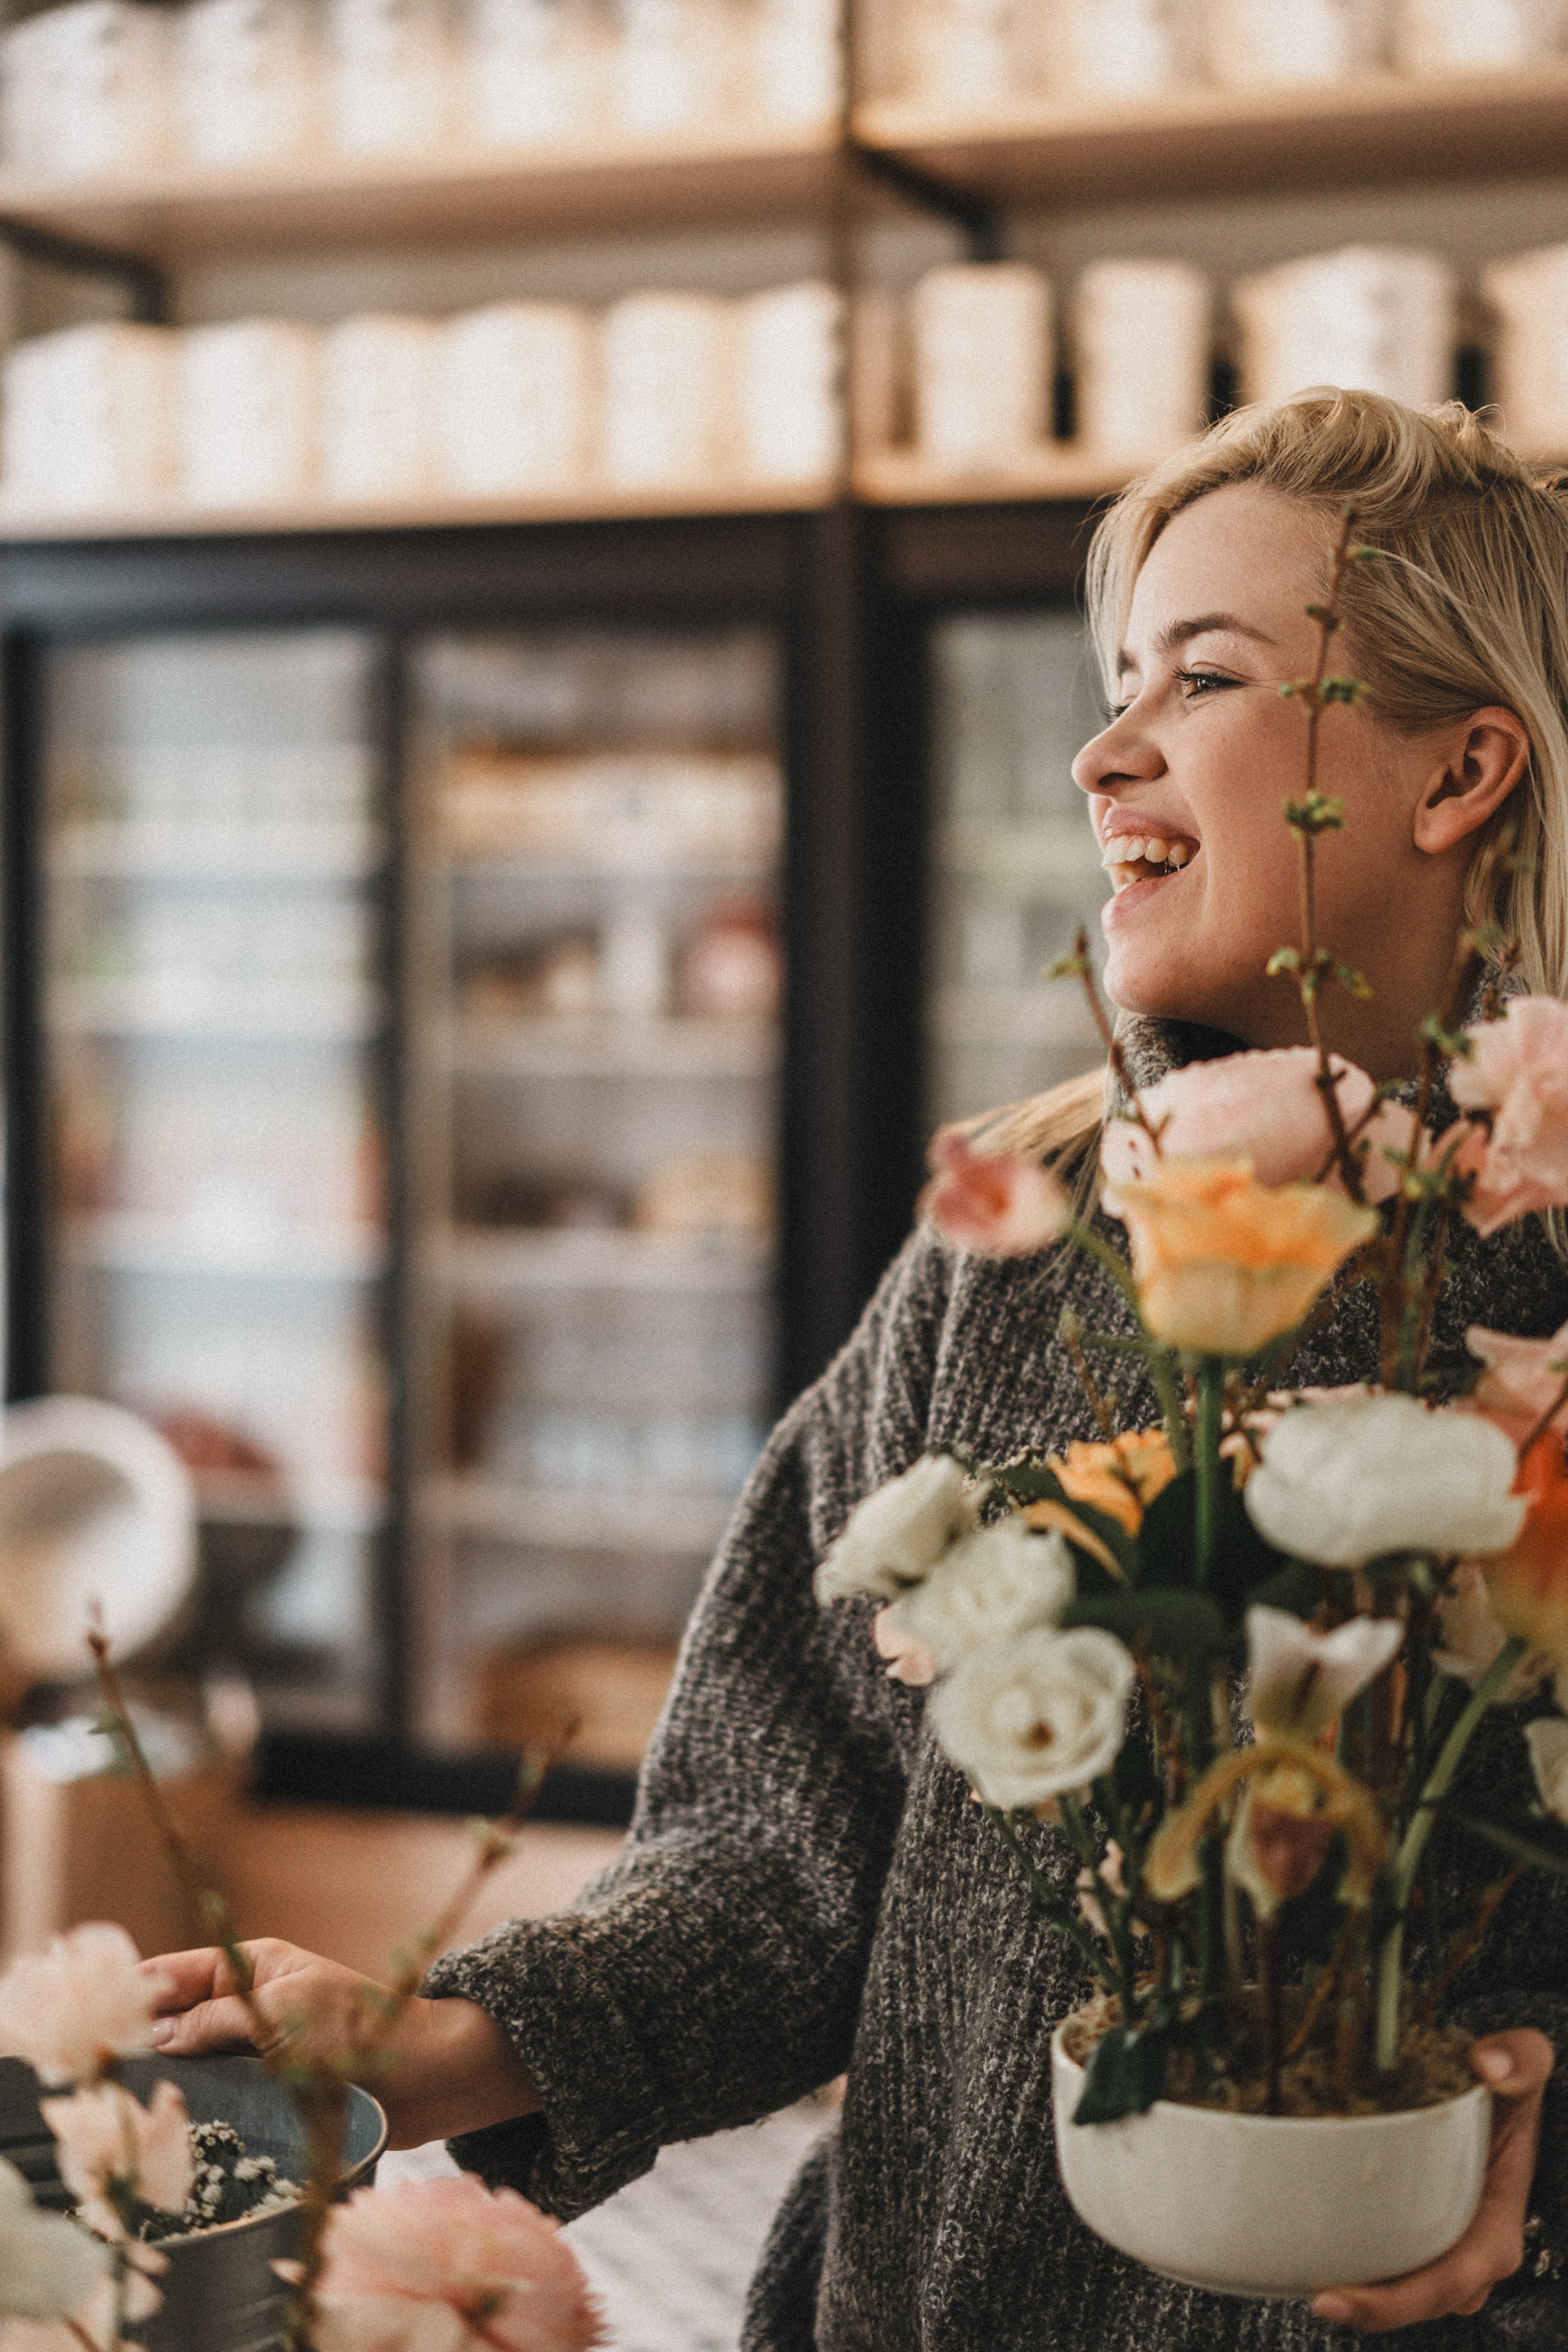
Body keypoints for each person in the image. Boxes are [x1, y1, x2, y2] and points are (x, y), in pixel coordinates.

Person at [147, 390, 1568, 2348]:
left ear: (1460, 770)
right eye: (1113, 676)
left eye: (1205, 676)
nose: (1101, 749)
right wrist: (439, 2039)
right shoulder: (1021, 1250)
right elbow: (785, 1849)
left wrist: (1533, 2149)